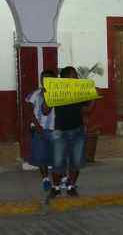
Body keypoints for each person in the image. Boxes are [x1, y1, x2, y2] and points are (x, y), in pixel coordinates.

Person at [49, 66, 96, 198]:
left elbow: (86, 110)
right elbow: (46, 110)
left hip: (77, 130)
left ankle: (71, 186)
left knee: (76, 161)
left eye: (76, 75)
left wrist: (93, 98)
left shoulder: (79, 91)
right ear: (65, 78)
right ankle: (56, 187)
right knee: (58, 161)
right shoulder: (56, 90)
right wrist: (48, 96)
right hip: (60, 131)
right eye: (73, 75)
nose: (76, 77)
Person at [27, 70, 56, 192]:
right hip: (39, 129)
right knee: (41, 156)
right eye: (42, 78)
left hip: (54, 129)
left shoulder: (58, 94)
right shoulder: (35, 94)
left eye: (47, 79)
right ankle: (45, 179)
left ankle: (60, 179)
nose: (44, 81)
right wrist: (37, 125)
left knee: (56, 156)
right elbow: (29, 111)